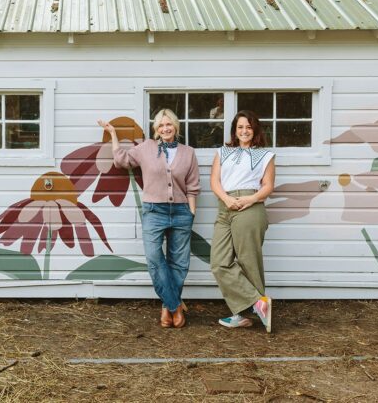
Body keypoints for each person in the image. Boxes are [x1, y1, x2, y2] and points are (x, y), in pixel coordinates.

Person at [98, 109, 200, 328]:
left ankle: (166, 307)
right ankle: (175, 305)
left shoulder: (188, 152)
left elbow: (193, 187)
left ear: (176, 126)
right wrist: (114, 134)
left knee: (179, 262)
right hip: (154, 211)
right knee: (154, 258)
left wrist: (192, 212)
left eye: (169, 124)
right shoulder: (146, 148)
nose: (165, 129)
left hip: (182, 211)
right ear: (156, 129)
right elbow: (121, 160)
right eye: (161, 125)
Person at [210, 110, 275, 332]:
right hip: (225, 206)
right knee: (219, 262)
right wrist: (227, 199)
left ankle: (244, 315)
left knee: (249, 261)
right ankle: (258, 303)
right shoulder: (223, 151)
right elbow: (214, 181)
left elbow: (268, 185)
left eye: (248, 127)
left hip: (251, 206)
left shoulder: (264, 155)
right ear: (234, 130)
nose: (244, 131)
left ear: (255, 129)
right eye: (240, 127)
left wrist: (250, 199)